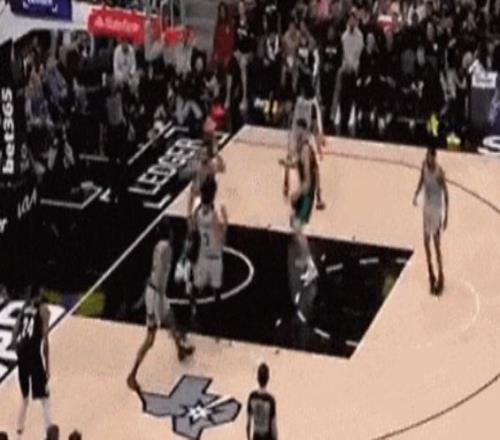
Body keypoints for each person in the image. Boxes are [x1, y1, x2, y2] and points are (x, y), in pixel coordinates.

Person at [127, 218, 194, 393]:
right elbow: (158, 274)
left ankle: (180, 350)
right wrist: (151, 309)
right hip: (155, 295)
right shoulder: (166, 248)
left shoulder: (160, 246)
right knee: (150, 339)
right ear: (168, 233)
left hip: (158, 293)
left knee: (171, 319)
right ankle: (132, 375)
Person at [9, 284, 52, 440]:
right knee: (45, 396)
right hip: (33, 353)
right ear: (39, 295)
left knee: (25, 397)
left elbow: (15, 331)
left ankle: (18, 435)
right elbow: (45, 341)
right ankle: (49, 432)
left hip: (22, 353)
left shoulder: (24, 309)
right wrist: (48, 366)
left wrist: (17, 348)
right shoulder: (44, 310)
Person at [280, 119, 319, 286]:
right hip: (306, 192)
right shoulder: (303, 148)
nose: (295, 134)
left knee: (297, 228)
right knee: (294, 223)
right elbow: (298, 164)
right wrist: (287, 164)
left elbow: (308, 182)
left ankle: (311, 267)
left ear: (303, 131)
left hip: (306, 194)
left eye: (297, 131)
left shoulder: (305, 151)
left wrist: (296, 194)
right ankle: (304, 258)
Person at [190, 175, 228, 324]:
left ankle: (193, 309)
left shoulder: (197, 209)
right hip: (214, 257)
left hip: (203, 255)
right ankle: (216, 317)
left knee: (197, 287)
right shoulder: (217, 212)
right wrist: (225, 224)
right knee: (216, 289)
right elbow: (222, 238)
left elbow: (193, 229)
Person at [413, 146, 449, 295]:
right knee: (426, 242)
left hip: (436, 210)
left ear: (435, 157)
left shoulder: (439, 173)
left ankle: (441, 274)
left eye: (432, 157)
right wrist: (416, 194)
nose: (430, 159)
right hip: (427, 208)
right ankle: (431, 272)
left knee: (436, 244)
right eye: (428, 156)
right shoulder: (424, 166)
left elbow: (446, 194)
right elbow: (421, 180)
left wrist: (446, 217)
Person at [285, 88, 325, 210]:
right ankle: (316, 197)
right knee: (313, 173)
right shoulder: (311, 106)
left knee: (294, 163)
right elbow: (315, 129)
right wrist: (319, 148)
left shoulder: (297, 103)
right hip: (304, 145)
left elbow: (290, 121)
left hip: (294, 141)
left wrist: (285, 182)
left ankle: (288, 187)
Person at [246, 363, 277, 440]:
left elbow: (248, 423)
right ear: (268, 378)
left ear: (257, 378)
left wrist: (248, 438)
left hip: (256, 436)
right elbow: (273, 426)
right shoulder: (270, 400)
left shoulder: (252, 397)